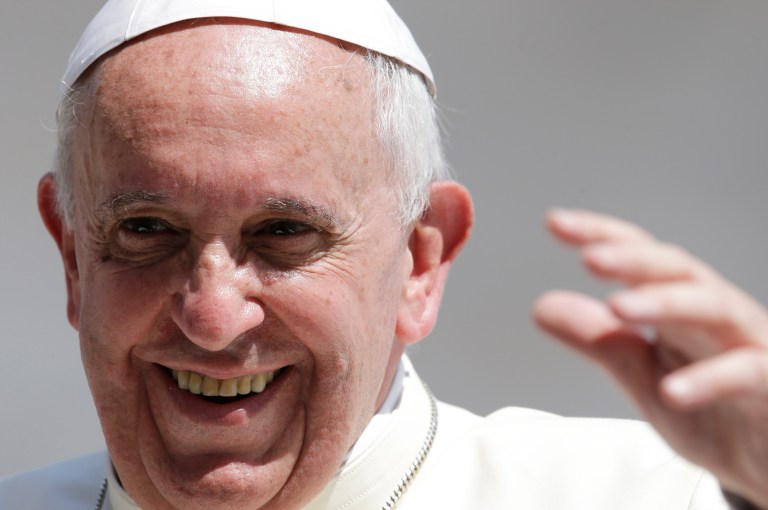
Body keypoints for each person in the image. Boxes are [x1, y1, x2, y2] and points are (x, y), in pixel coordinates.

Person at [2, 0, 768, 508]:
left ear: (421, 263)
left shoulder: (665, 495)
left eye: (283, 233)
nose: (211, 317)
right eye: (146, 230)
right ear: (72, 258)